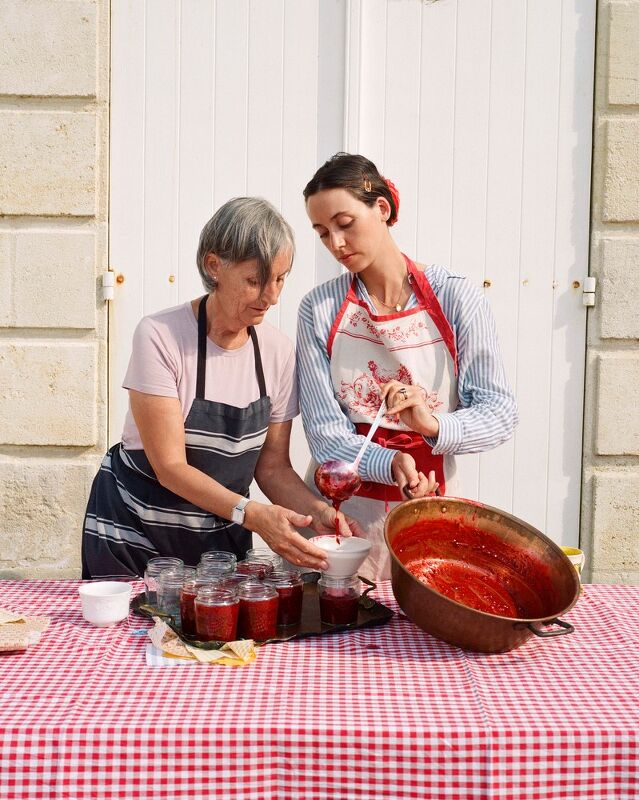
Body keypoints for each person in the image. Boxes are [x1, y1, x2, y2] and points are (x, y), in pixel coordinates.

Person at [82, 197, 360, 579]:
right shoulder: (161, 337)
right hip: (133, 536)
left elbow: (273, 467)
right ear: (214, 266)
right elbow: (170, 468)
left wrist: (318, 513)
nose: (272, 297)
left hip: (217, 547)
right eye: (255, 281)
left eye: (280, 279)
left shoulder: (277, 352)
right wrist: (253, 514)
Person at [296, 153, 518, 581]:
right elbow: (325, 437)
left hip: (429, 504)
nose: (336, 244)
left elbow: (499, 413)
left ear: (381, 208)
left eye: (345, 224)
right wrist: (391, 463)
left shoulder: (455, 297)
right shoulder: (320, 309)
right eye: (322, 233)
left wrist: (431, 424)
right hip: (342, 516)